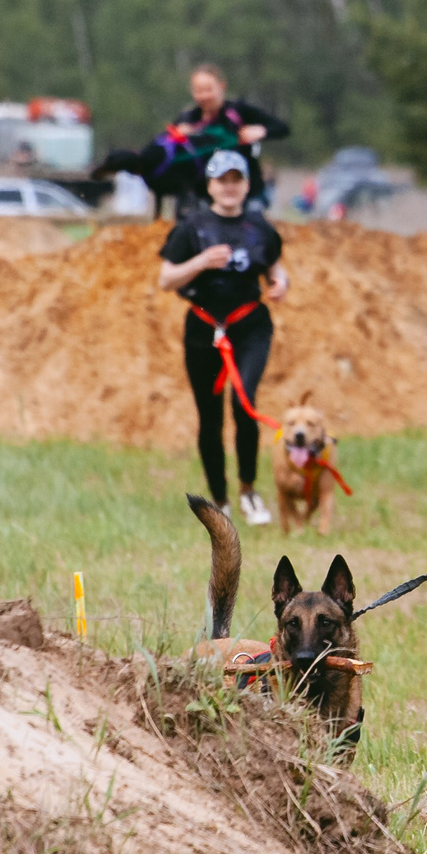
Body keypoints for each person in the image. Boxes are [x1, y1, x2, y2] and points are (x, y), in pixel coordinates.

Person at [159, 149, 289, 524]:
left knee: (244, 403)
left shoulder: (260, 228)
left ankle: (249, 490)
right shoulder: (193, 227)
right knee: (209, 416)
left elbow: (277, 271)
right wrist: (200, 262)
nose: (230, 187)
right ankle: (220, 501)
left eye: (236, 180)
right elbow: (165, 278)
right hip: (203, 329)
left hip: (249, 327)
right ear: (211, 186)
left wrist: (281, 285)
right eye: (222, 180)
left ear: (246, 185)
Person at [174, 63, 289, 202]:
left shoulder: (238, 111)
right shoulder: (187, 119)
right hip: (200, 195)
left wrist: (261, 130)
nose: (204, 96)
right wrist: (176, 138)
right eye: (198, 90)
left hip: (246, 193)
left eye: (208, 89)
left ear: (221, 86)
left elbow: (282, 128)